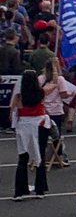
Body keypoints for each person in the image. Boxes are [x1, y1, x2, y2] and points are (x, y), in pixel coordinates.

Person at [12, 69, 50, 200]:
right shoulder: (41, 92)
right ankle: (40, 189)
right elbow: (53, 86)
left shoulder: (19, 95)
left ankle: (19, 191)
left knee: (23, 157)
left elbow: (14, 108)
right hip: (39, 124)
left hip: (24, 125)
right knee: (40, 155)